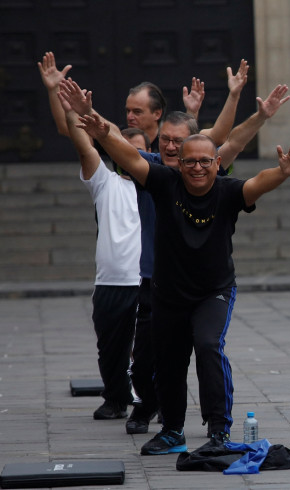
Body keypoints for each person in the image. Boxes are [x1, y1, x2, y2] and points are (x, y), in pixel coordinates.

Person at [73, 106, 290, 456]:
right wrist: (102, 131)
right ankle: (172, 431)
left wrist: (282, 174)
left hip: (214, 292)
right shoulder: (164, 183)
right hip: (168, 294)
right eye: (189, 161)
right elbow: (130, 159)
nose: (196, 168)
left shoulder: (227, 191)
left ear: (216, 163)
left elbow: (257, 184)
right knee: (169, 360)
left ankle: (219, 430)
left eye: (204, 162)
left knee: (208, 346)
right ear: (178, 162)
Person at [57, 90, 147, 421]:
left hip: (146, 280)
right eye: (126, 147)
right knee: (110, 348)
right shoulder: (105, 183)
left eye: (140, 149)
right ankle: (115, 398)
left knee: (149, 348)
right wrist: (70, 111)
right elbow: (84, 146)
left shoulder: (160, 185)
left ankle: (151, 398)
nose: (132, 154)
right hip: (110, 282)